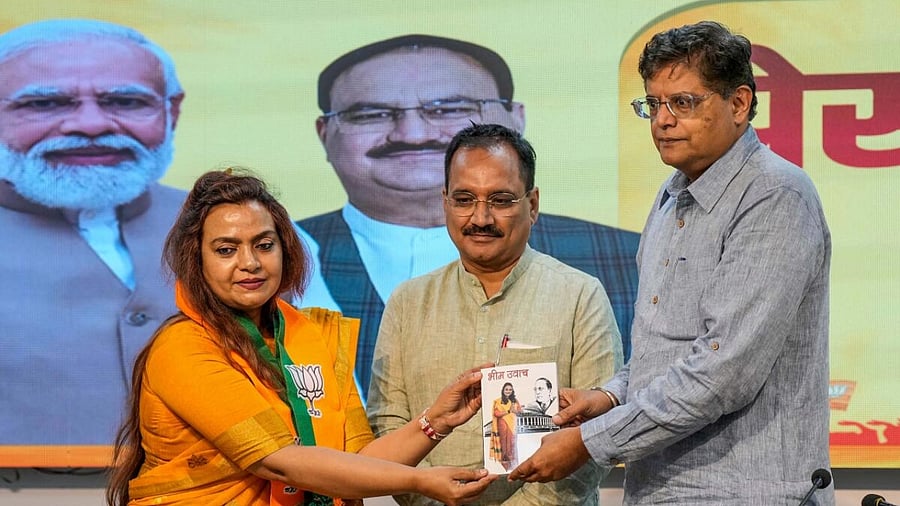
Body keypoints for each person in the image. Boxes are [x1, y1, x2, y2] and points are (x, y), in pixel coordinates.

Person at [509, 21, 835, 505]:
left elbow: (723, 372)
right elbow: (668, 350)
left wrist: (588, 443)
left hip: (745, 493)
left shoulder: (775, 195)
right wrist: (610, 397)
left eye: (683, 103)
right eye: (653, 104)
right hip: (658, 489)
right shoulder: (669, 195)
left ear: (739, 104)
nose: (662, 120)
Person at [0, 18, 336, 447]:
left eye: (124, 101)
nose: (89, 125)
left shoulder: (256, 230)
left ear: (171, 111)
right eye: (45, 104)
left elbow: (323, 398)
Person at [106, 170, 497, 506]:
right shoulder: (184, 347)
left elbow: (362, 460)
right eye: (227, 250)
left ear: (286, 250)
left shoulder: (312, 336)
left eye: (264, 245)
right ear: (197, 261)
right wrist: (421, 481)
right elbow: (280, 461)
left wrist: (435, 422)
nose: (250, 263)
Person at [298, 34, 640, 398]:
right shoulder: (283, 259)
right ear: (324, 133)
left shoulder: (622, 260)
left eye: (448, 108)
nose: (413, 135)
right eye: (372, 114)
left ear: (515, 117)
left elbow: (601, 419)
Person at [367, 123, 624, 505]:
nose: (481, 218)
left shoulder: (579, 295)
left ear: (532, 204)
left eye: (501, 200)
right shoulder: (408, 302)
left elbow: (595, 435)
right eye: (464, 199)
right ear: (445, 202)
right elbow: (386, 428)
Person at [490, 383, 521, 472]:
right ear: (503, 390)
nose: (508, 391)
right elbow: (496, 413)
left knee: (512, 444)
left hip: (513, 424)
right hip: (503, 424)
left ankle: (512, 466)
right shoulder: (498, 401)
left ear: (512, 391)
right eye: (506, 389)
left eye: (510, 390)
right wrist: (508, 411)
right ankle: (505, 465)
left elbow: (519, 411)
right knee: (504, 444)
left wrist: (515, 411)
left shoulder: (515, 401)